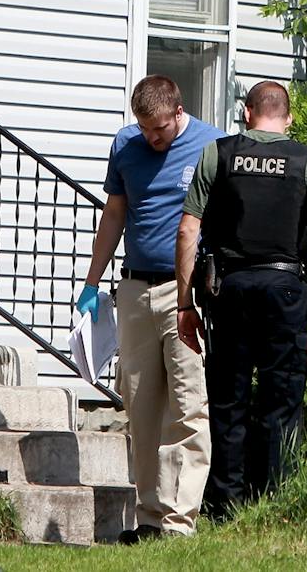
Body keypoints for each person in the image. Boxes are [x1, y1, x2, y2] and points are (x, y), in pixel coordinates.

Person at [174, 81, 307, 518]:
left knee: (227, 398)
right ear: (288, 118)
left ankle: (224, 506)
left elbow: (188, 231)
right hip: (285, 289)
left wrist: (184, 304)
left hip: (229, 289)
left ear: (247, 113)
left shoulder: (218, 153)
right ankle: (274, 502)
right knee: (281, 400)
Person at [75, 75, 225, 541]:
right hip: (135, 291)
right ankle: (149, 518)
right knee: (140, 408)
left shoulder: (212, 145)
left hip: (188, 296)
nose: (152, 138)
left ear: (179, 112)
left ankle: (180, 524)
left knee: (187, 406)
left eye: (159, 129)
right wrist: (92, 282)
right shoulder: (126, 145)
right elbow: (115, 213)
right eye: (145, 129)